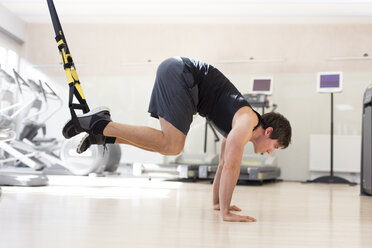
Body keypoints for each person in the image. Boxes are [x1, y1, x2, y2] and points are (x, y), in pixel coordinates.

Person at [63, 57, 292, 222]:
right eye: (275, 147)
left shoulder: (238, 127)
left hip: (178, 73)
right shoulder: (246, 121)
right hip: (183, 74)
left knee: (168, 144)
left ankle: (102, 136)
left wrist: (217, 204)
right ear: (269, 132)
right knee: (173, 146)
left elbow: (223, 165)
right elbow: (232, 166)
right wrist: (226, 213)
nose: (271, 152)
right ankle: (101, 123)